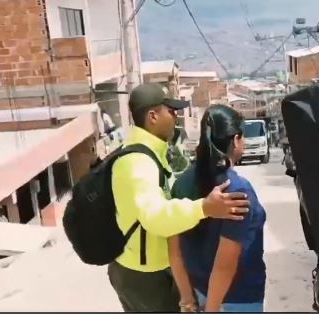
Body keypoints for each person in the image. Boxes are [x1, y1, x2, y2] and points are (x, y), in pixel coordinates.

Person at [108, 83, 251, 312]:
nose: (176, 117)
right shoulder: (139, 162)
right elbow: (154, 217)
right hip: (146, 276)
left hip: (140, 268)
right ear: (153, 116)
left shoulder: (148, 152)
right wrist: (204, 207)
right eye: (171, 111)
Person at [169, 105, 267, 312]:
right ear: (235, 140)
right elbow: (224, 265)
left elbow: (175, 252)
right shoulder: (237, 190)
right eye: (243, 137)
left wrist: (187, 300)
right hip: (237, 299)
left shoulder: (182, 182)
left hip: (200, 292)